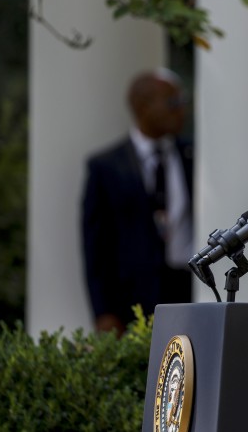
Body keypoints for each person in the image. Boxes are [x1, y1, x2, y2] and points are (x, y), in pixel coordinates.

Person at [82, 68, 194, 335]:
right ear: (144, 107)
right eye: (172, 102)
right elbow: (95, 248)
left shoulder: (194, 156)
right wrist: (103, 313)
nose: (181, 111)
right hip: (131, 303)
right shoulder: (106, 167)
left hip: (189, 290)